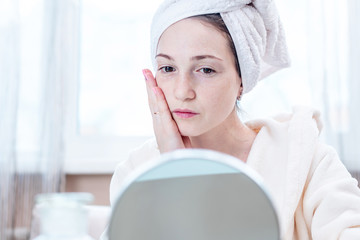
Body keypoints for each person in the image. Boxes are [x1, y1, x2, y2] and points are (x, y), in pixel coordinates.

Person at [108, 0, 360, 239]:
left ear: (242, 79)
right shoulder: (136, 172)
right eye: (168, 68)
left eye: (206, 69)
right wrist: (177, 169)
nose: (182, 91)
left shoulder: (306, 159)